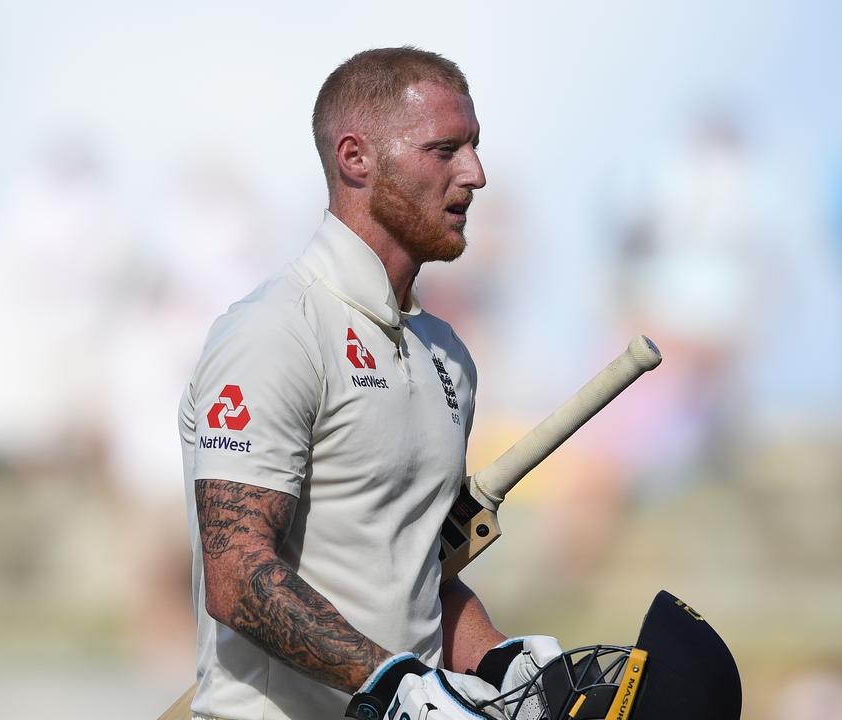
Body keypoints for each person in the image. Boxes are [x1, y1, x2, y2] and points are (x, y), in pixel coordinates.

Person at [177, 47, 561, 720]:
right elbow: (237, 578)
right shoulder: (276, 332)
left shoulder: (447, 356)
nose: (475, 174)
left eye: (474, 147)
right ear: (356, 158)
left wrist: (496, 657)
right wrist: (391, 681)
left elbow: (415, 577)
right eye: (444, 150)